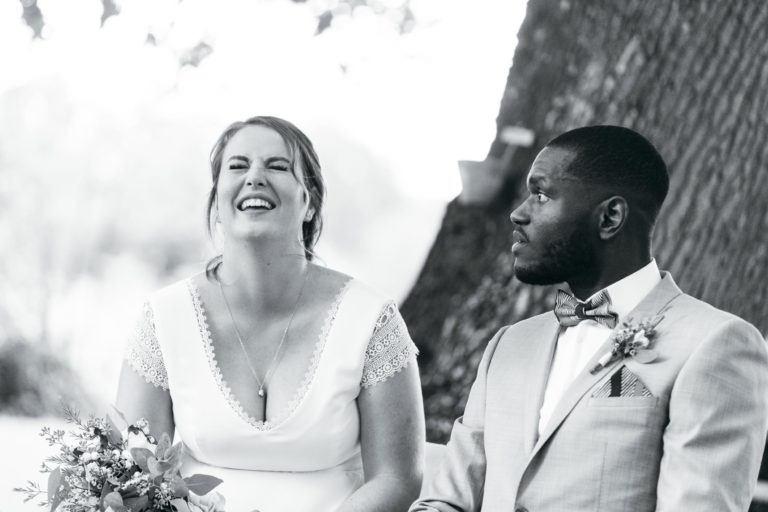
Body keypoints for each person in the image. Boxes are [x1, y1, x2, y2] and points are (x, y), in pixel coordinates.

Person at [411, 125, 768, 511]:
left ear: (610, 216)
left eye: (542, 195)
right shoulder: (509, 345)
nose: (518, 213)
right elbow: (446, 501)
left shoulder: (714, 344)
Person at [116, 116, 425, 512]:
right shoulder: (163, 319)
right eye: (238, 166)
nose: (255, 177)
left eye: (277, 166)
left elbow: (397, 479)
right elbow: (135, 474)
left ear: (309, 204)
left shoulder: (372, 320)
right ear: (218, 203)